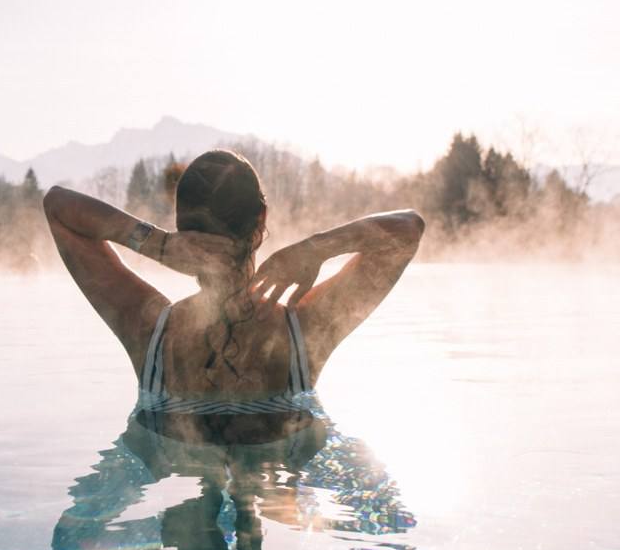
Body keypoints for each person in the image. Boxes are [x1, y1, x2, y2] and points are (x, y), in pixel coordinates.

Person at [42, 148, 424, 439]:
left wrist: (155, 244)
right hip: (281, 483)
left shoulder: (148, 329)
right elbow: (408, 230)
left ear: (180, 228)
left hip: (170, 475)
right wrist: (315, 248)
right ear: (261, 220)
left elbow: (58, 206)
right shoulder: (305, 331)